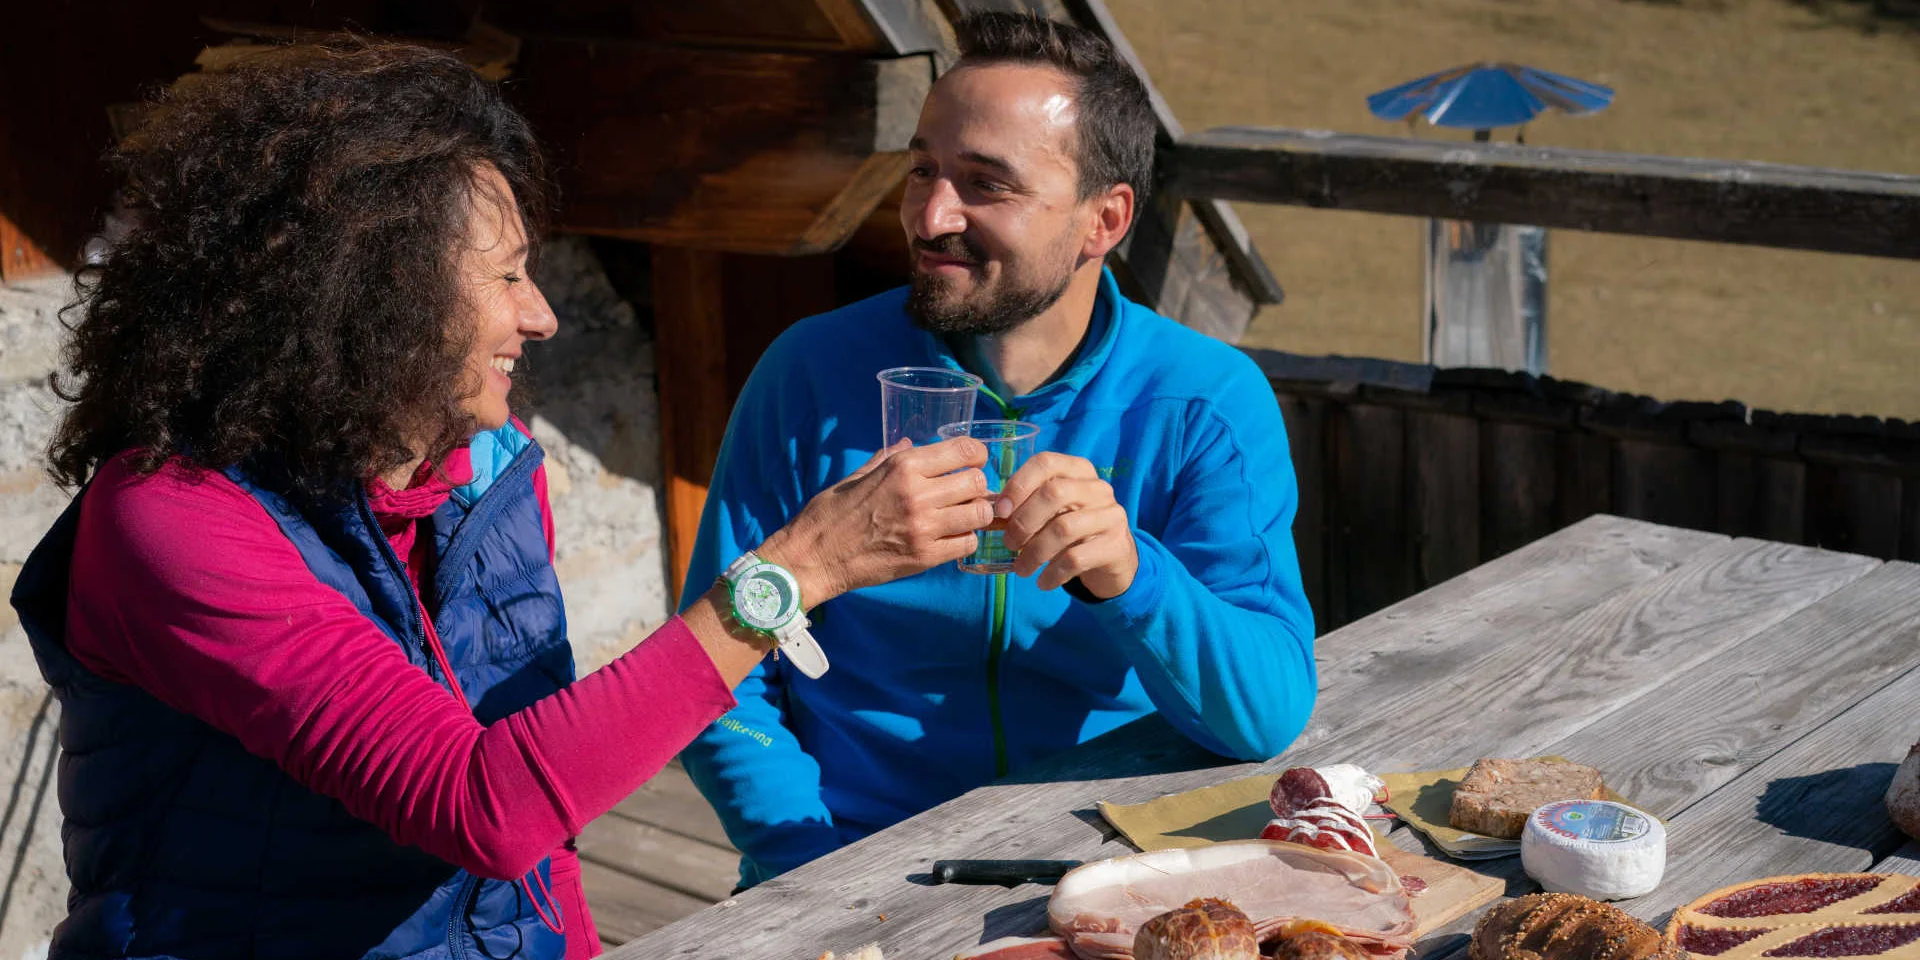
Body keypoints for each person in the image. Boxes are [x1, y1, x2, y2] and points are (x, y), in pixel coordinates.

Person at [11, 41, 992, 960]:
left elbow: (542, 826)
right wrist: (794, 572)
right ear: (370, 295)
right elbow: (484, 806)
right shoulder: (174, 517)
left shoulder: (491, 470)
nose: (545, 315)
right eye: (507, 276)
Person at [680, 12, 1318, 890]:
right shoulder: (810, 372)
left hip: (1099, 863)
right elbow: (719, 671)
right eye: (921, 171)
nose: (931, 214)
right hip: (839, 856)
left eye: (986, 184)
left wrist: (1135, 574)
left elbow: (1267, 712)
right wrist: (815, 871)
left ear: (1105, 219)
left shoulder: (1203, 401)